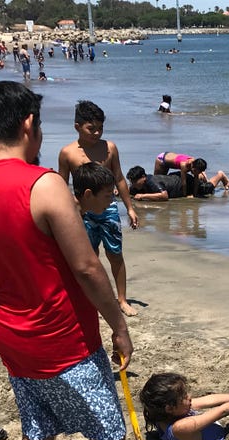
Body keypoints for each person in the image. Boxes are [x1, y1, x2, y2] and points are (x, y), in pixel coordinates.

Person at [0, 81, 197, 440]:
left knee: (37, 428)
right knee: (106, 430)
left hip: (12, 333)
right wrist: (119, 324)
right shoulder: (41, 184)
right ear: (28, 124)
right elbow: (87, 266)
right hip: (63, 337)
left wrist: (3, 321)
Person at [58, 100, 139, 317]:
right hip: (82, 213)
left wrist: (129, 208)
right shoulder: (67, 153)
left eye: (100, 128)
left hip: (109, 209)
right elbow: (61, 185)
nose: (96, 133)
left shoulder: (109, 148)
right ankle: (90, 297)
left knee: (115, 254)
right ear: (77, 126)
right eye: (91, 128)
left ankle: (121, 299)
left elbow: (120, 178)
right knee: (88, 257)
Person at [153, 153, 229, 191]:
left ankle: (217, 176)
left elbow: (196, 180)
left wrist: (195, 194)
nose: (195, 173)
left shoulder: (195, 163)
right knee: (157, 181)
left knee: (200, 183)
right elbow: (184, 183)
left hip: (170, 158)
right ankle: (207, 178)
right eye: (195, 171)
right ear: (192, 167)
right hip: (162, 160)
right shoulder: (184, 165)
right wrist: (184, 195)